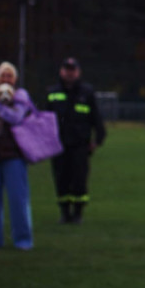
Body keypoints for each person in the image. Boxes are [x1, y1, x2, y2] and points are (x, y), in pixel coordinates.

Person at [46, 57, 106, 224]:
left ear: (78, 72)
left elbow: (96, 117)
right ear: (61, 71)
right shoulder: (53, 93)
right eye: (67, 69)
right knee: (61, 179)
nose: (70, 73)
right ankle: (64, 213)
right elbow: (44, 119)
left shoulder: (87, 93)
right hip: (58, 145)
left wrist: (98, 139)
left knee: (79, 180)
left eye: (73, 70)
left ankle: (78, 213)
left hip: (80, 145)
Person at [0, 61, 35, 250]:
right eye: (3, 75)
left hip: (14, 156)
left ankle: (23, 240)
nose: (6, 79)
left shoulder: (21, 96)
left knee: (18, 199)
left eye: (10, 75)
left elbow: (16, 117)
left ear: (15, 79)